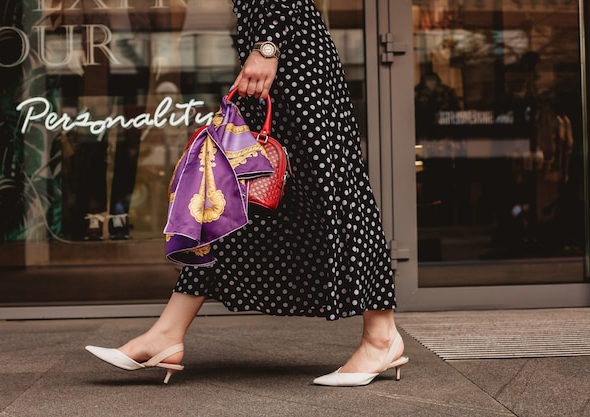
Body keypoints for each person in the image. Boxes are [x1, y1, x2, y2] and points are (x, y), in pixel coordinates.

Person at [85, 0, 408, 387]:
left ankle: (381, 336)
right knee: (241, 197)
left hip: (291, 55)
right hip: (275, 52)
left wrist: (267, 47)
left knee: (335, 190)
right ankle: (167, 332)